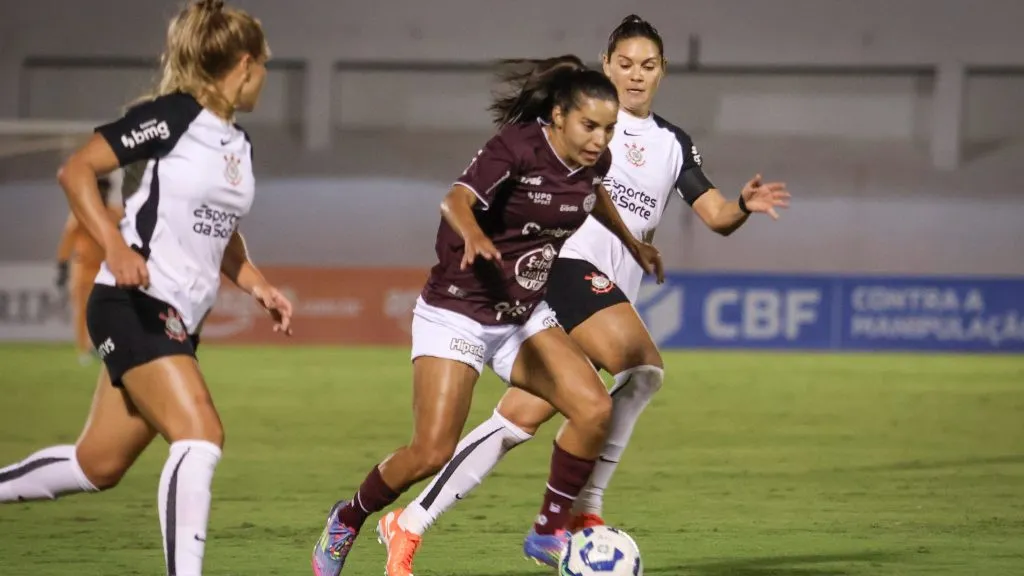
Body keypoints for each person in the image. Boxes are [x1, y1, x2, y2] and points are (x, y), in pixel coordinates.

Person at [374, 15, 792, 576]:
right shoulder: (587, 125)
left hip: (611, 286)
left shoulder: (672, 144)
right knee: (641, 367)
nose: (636, 76)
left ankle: (410, 522)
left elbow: (715, 215)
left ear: (663, 71)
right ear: (606, 64)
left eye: (647, 66)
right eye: (625, 64)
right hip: (566, 268)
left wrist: (742, 204)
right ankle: (580, 511)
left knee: (519, 419)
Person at [310, 54, 664, 576]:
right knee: (430, 452)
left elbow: (594, 196)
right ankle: (349, 516)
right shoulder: (516, 148)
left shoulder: (596, 162)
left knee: (592, 410)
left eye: (608, 129)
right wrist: (473, 233)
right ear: (560, 115)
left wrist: (631, 243)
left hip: (522, 314)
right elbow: (455, 201)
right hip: (459, 311)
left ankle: (546, 532)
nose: (599, 139)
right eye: (589, 125)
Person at [0, 2, 293, 575]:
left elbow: (221, 231)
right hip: (131, 303)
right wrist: (112, 247)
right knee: (201, 434)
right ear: (243, 64)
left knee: (95, 465)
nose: (263, 78)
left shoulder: (238, 144)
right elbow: (76, 171)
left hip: (177, 318)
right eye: (263, 67)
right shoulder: (173, 115)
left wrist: (258, 284)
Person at [55, 171, 125, 365]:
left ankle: (105, 347)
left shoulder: (115, 213)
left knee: (110, 311)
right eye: (99, 189)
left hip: (108, 269)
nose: (102, 193)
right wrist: (62, 266)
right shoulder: (81, 212)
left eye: (105, 189)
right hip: (83, 268)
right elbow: (67, 240)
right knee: (83, 310)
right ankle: (83, 349)